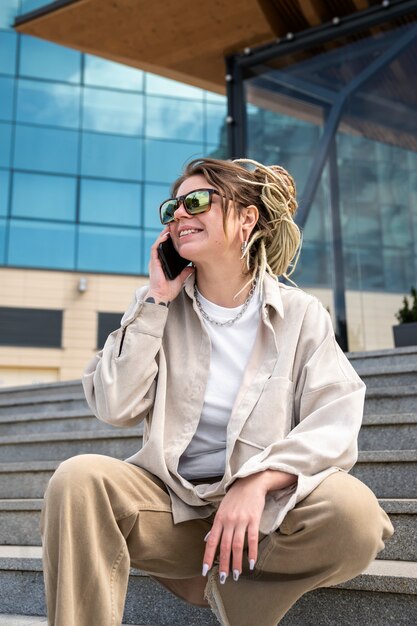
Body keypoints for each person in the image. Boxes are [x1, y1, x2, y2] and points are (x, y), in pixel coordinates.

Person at [41, 158, 394, 626]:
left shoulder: (301, 314)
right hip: (175, 515)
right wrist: (156, 301)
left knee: (356, 515)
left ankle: (232, 595)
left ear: (247, 218)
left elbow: (336, 417)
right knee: (77, 477)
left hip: (262, 520)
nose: (180, 215)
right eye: (173, 208)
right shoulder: (156, 308)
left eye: (198, 201)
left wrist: (257, 480)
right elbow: (115, 405)